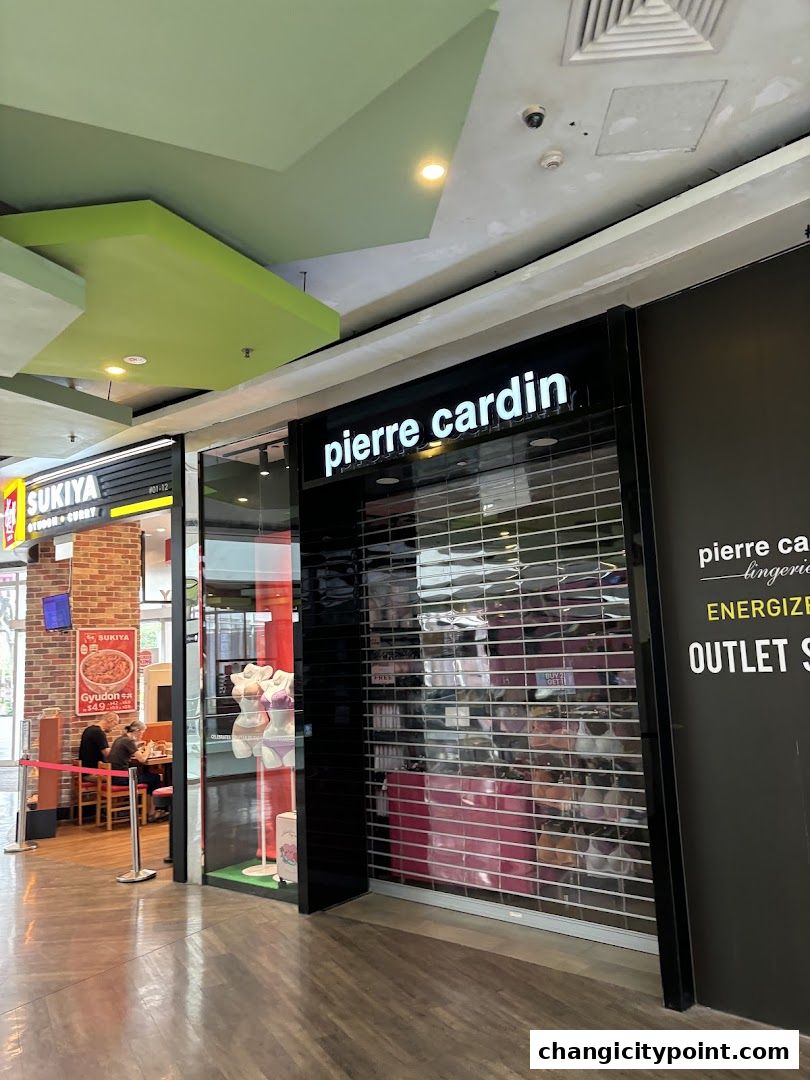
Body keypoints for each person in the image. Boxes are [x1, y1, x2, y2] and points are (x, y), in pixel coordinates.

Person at [109, 719, 165, 820]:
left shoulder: (120, 739)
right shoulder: (128, 741)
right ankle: (152, 813)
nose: (142, 735)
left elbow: (129, 753)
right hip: (122, 779)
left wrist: (138, 748)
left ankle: (148, 810)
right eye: (142, 732)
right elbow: (142, 759)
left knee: (148, 776)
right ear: (138, 731)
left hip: (114, 776)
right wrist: (148, 748)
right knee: (155, 778)